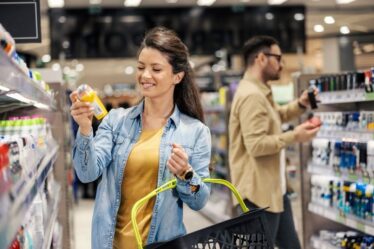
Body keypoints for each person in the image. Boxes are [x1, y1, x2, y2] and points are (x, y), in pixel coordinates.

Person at [70, 27, 211, 249]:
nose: (145, 75)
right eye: (141, 67)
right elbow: (87, 173)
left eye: (156, 69)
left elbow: (199, 199)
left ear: (177, 75)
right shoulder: (116, 121)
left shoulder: (195, 132)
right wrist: (85, 130)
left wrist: (186, 173)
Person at [228, 36, 320, 249]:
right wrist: (294, 136)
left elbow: (275, 116)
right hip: (257, 197)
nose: (281, 64)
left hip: (274, 191)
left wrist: (300, 104)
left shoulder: (260, 90)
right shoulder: (252, 95)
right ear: (261, 58)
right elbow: (256, 145)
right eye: (277, 58)